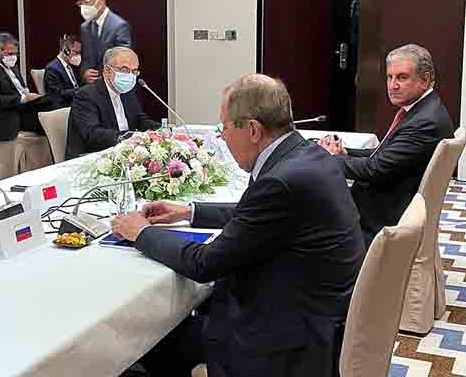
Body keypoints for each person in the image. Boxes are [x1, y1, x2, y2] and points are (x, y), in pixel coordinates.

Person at [112, 74, 365, 377]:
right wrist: (189, 211)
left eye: (225, 128)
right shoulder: (308, 157)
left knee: (152, 339)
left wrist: (141, 232)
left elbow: (205, 263)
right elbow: (256, 214)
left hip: (285, 342)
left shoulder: (279, 182)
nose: (222, 137)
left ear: (253, 130)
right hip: (317, 315)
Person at [320, 44, 454, 246]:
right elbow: (384, 155)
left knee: (305, 208)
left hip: (379, 218)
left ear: (424, 80)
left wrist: (331, 158)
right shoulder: (423, 110)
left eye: (401, 77)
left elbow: (376, 169)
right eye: (389, 77)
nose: (392, 85)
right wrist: (345, 152)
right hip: (386, 203)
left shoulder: (424, 122)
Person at [65, 47, 159, 159]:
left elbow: (139, 119)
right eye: (124, 70)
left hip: (124, 155)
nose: (130, 76)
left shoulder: (127, 92)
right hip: (92, 158)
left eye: (134, 71)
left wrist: (161, 129)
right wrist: (129, 136)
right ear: (107, 71)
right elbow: (93, 134)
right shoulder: (86, 95)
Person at [0, 32, 55, 142]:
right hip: (9, 116)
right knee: (52, 116)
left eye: (15, 54)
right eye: (10, 54)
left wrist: (30, 96)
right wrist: (23, 98)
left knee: (55, 102)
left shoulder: (13, 66)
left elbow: (22, 88)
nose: (13, 57)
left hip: (25, 108)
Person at [76, 0, 132, 84]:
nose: (83, 7)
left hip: (113, 88)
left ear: (101, 0)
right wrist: (84, 73)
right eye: (80, 3)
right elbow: (85, 59)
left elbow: (124, 63)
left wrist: (102, 78)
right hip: (91, 91)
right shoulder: (84, 27)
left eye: (86, 2)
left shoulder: (119, 26)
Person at [43, 34, 83, 108]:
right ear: (66, 50)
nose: (78, 56)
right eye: (76, 52)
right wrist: (79, 91)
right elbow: (57, 94)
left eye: (80, 53)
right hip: (64, 105)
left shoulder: (73, 66)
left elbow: (80, 83)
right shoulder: (52, 69)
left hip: (78, 102)